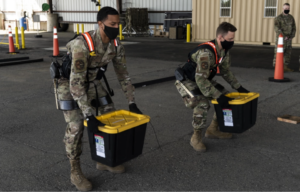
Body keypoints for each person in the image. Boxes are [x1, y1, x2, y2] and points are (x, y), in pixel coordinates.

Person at [57, 7, 142, 191]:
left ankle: (105, 160)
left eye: (118, 24)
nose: (116, 27)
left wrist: (131, 102)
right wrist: (88, 114)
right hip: (70, 84)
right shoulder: (83, 45)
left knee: (109, 118)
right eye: (112, 24)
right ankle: (75, 170)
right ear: (100, 24)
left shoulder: (116, 45)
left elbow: (123, 75)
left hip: (93, 82)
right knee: (77, 125)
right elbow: (76, 82)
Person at [175, 22, 250, 152]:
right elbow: (200, 79)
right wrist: (216, 95)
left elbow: (225, 71)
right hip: (188, 80)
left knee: (226, 98)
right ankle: (196, 137)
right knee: (202, 103)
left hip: (202, 79)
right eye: (230, 39)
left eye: (233, 39)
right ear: (220, 38)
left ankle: (213, 129)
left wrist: (239, 87)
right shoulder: (206, 53)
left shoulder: (224, 51)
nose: (232, 42)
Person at [274, 3, 296, 72]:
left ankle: (285, 67)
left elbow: (294, 28)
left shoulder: (291, 18)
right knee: (279, 53)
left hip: (289, 39)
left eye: (288, 9)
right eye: (286, 8)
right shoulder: (278, 18)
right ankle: (277, 68)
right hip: (281, 39)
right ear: (283, 9)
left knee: (288, 53)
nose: (287, 10)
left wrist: (291, 36)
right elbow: (277, 29)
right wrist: (284, 37)